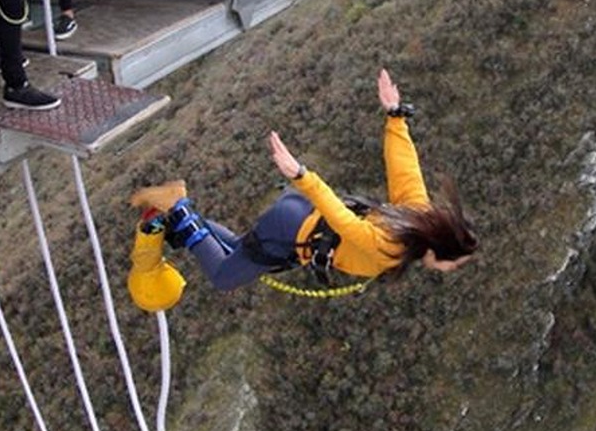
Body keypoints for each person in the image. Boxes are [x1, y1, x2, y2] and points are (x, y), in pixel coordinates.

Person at [127, 69, 476, 304]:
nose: (449, 270)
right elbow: (344, 221)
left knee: (236, 247)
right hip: (292, 231)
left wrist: (395, 115)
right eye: (453, 264)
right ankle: (178, 208)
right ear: (437, 250)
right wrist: (301, 175)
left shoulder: (415, 217)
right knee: (223, 276)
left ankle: (178, 217)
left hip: (297, 218)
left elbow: (405, 170)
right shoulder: (390, 248)